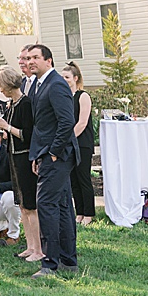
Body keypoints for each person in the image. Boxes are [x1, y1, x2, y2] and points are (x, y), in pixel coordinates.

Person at [24, 43, 78, 277]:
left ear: (49, 61)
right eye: (28, 58)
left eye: (36, 57)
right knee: (63, 206)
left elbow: (67, 122)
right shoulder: (38, 84)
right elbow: (42, 125)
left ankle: (50, 264)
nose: (31, 61)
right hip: (46, 153)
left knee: (46, 205)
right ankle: (68, 261)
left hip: (60, 154)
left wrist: (53, 152)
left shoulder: (56, 84)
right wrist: (37, 155)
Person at [0, 65, 43, 264]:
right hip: (13, 157)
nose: (1, 91)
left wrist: (7, 127)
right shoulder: (11, 105)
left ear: (9, 85)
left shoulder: (25, 104)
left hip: (24, 158)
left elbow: (28, 135)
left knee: (30, 205)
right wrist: (5, 132)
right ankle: (30, 246)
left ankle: (38, 248)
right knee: (21, 205)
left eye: (2, 87)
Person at [65, 63, 97, 225]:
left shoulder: (83, 96)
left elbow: (82, 122)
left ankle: (89, 213)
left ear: (75, 78)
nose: (64, 80)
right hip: (69, 143)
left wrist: (68, 139)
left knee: (83, 178)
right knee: (73, 179)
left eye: (67, 77)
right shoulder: (64, 97)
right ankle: (80, 212)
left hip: (82, 142)